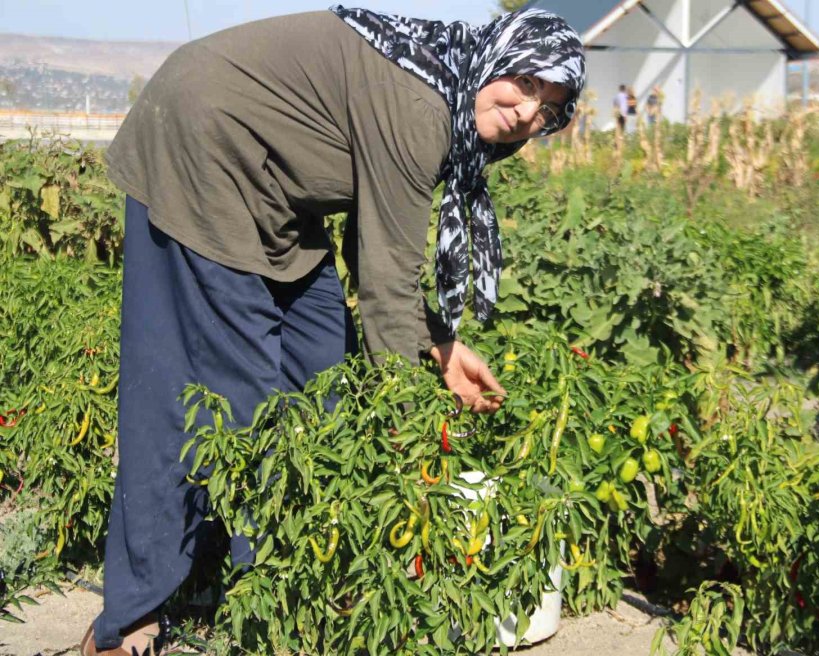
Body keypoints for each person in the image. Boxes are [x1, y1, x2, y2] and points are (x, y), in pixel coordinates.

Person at [79, 5, 585, 655]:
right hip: (200, 145)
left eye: (548, 104)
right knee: (221, 399)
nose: (525, 109)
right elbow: (384, 283)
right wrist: (414, 447)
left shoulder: (447, 88)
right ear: (495, 57)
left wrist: (441, 343)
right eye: (525, 81)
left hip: (275, 194)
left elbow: (377, 252)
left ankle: (302, 566)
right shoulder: (423, 105)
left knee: (324, 365)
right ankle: (132, 617)